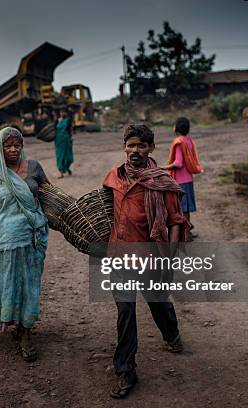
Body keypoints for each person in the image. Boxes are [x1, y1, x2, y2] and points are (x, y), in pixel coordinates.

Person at [102, 124, 189, 399]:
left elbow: (176, 221)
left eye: (141, 145)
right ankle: (126, 370)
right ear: (124, 147)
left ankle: (171, 335)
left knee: (158, 301)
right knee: (125, 311)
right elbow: (103, 209)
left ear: (151, 148)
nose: (135, 150)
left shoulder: (162, 181)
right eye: (130, 145)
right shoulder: (113, 177)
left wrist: (169, 257)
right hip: (119, 257)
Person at [0, 127, 50, 362]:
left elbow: (50, 196)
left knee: (28, 284)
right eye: (8, 146)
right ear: (0, 148)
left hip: (30, 237)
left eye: (17, 145)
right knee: (8, 284)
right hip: (2, 242)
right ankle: (15, 323)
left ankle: (26, 332)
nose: (13, 150)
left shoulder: (34, 167)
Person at [161, 117, 202, 238]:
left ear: (176, 128)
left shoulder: (178, 142)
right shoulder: (188, 140)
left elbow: (178, 163)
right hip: (188, 179)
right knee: (186, 209)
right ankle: (187, 232)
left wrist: (164, 167)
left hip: (180, 181)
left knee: (181, 209)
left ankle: (185, 234)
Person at [54, 107, 74, 178]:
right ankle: (61, 172)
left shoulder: (68, 120)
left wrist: (71, 137)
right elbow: (53, 130)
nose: (62, 113)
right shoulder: (57, 120)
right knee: (60, 156)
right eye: (61, 112)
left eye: (63, 112)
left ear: (66, 113)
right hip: (58, 140)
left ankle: (67, 168)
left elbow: (70, 130)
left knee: (67, 156)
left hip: (66, 140)